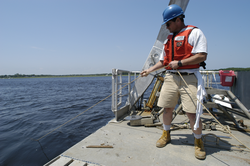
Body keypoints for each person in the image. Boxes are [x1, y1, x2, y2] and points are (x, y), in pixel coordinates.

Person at [141, 4, 207, 160]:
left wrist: (181, 63)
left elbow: (202, 55)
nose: (167, 27)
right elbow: (164, 61)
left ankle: (198, 141)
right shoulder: (168, 40)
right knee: (167, 107)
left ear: (178, 20)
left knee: (191, 112)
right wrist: (149, 70)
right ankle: (166, 134)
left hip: (189, 77)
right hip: (170, 77)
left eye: (168, 24)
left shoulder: (195, 33)